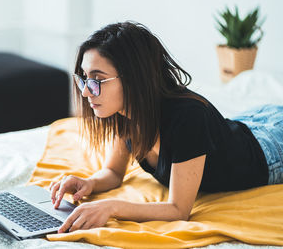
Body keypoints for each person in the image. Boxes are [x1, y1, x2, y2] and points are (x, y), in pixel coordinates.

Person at [49, 21, 283, 234]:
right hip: (248, 124)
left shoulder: (187, 117)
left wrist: (111, 207)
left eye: (97, 80)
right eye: (84, 78)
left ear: (133, 78)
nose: (86, 92)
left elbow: (178, 209)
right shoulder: (122, 112)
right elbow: (113, 173)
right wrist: (89, 183)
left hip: (270, 150)